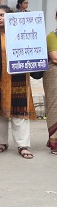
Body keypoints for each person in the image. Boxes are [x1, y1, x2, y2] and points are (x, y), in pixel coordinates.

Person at [0, 5, 36, 159]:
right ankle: (1, 142)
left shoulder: (22, 33)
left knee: (20, 111)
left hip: (18, 77)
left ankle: (22, 145)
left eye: (2, 15)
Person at [45, 9, 57, 154]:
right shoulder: (52, 36)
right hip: (54, 73)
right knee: (55, 105)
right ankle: (55, 142)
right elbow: (54, 57)